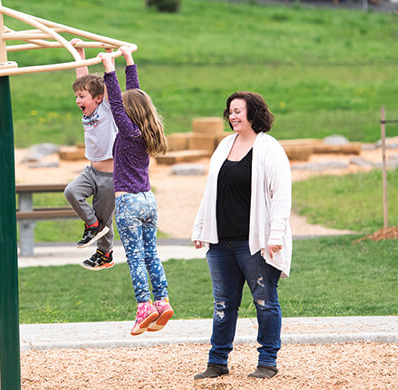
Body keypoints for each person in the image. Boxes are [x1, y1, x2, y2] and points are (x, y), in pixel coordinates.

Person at [191, 91, 292, 380]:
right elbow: (211, 191)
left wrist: (276, 235)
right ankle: (217, 361)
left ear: (253, 114)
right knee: (223, 304)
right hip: (220, 242)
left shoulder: (269, 148)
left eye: (238, 111)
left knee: (265, 301)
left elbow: (281, 195)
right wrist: (200, 228)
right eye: (230, 111)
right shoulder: (224, 145)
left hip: (255, 243)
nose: (232, 116)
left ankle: (267, 361)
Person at [97, 47, 174, 336]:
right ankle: (162, 300)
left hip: (128, 202)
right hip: (148, 201)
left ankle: (144, 306)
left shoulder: (127, 134)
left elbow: (118, 102)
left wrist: (108, 68)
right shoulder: (143, 131)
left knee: (135, 256)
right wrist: (128, 60)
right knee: (151, 253)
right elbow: (134, 96)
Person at [64, 38, 117, 270]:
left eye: (82, 97)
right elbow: (82, 80)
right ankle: (91, 225)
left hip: (109, 177)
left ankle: (105, 254)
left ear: (98, 98)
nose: (78, 101)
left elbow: (111, 85)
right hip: (91, 171)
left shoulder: (106, 108)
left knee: (106, 219)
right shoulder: (87, 110)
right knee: (71, 192)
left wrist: (108, 55)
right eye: (76, 97)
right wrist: (79, 52)